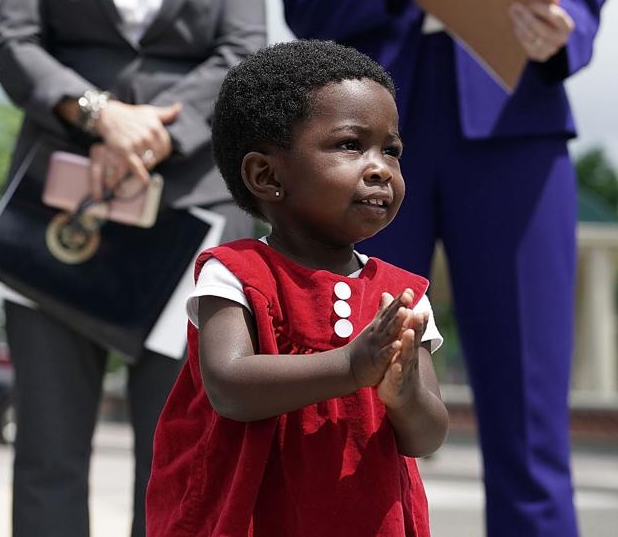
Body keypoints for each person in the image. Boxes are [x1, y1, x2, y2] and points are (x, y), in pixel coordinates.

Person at [280, 0, 605, 535]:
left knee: (530, 404)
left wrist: (563, 30)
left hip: (518, 136)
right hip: (377, 147)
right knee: (354, 385)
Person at [0, 0, 265, 537]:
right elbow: (14, 44)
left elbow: (244, 51)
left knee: (183, 455)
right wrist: (96, 113)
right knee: (46, 451)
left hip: (193, 210)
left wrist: (149, 133)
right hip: (61, 196)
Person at [146, 39, 449, 536]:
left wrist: (404, 391)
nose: (379, 167)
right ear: (266, 175)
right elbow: (230, 386)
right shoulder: (236, 272)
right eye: (351, 145)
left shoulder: (402, 295)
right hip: (249, 514)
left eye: (390, 150)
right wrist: (352, 365)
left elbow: (427, 436)